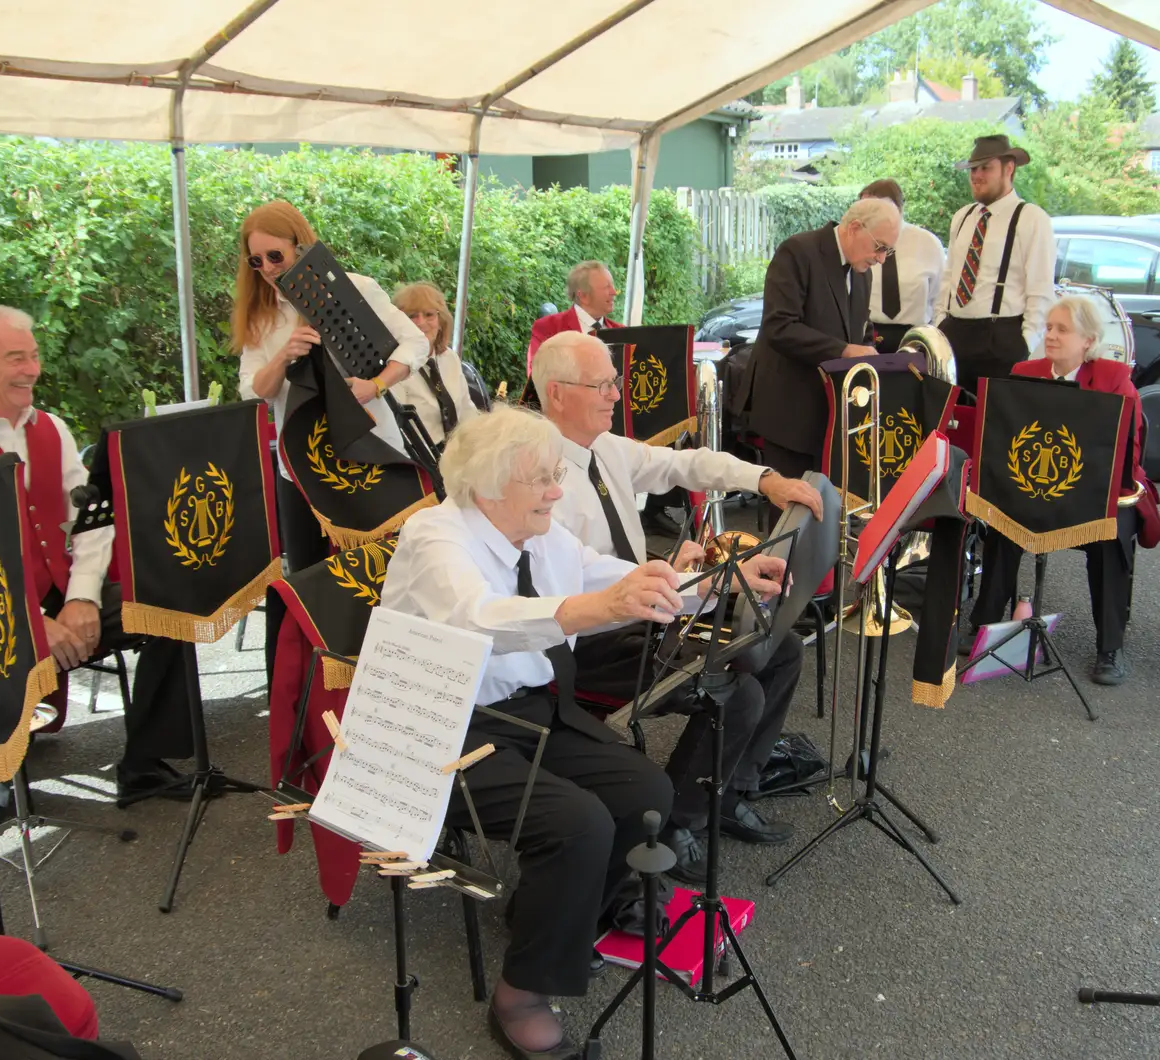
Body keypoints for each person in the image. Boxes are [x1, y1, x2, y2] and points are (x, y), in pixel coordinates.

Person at [381, 405, 783, 1059]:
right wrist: (594, 608)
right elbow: (478, 616)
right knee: (578, 824)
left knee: (645, 791)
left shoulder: (536, 532)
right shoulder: (436, 538)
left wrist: (720, 586)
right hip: (439, 729)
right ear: (487, 487)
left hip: (527, 711)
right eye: (541, 478)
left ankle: (555, 918)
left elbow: (613, 577)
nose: (557, 490)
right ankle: (521, 992)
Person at [530, 330, 822, 881]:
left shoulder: (604, 448)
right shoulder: (538, 474)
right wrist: (692, 579)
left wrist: (765, 480)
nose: (617, 395)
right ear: (557, 393)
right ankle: (674, 826)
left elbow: (687, 466)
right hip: (587, 638)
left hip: (649, 604)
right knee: (738, 692)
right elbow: (575, 590)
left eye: (615, 382)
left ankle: (730, 790)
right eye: (602, 385)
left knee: (781, 647)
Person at [0, 305, 192, 828]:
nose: (31, 370)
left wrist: (81, 597)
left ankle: (144, 761)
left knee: (172, 600)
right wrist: (37, 623)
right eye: (15, 358)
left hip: (60, 593)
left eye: (33, 357)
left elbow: (92, 523)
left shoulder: (51, 428)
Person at [233, 200, 429, 678]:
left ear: (301, 245)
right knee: (305, 577)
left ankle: (393, 671)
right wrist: (283, 356)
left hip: (370, 453)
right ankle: (306, 687)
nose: (267, 270)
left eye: (274, 256)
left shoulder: (356, 289)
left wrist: (374, 385)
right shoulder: (260, 315)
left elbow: (415, 344)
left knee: (385, 568)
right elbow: (251, 389)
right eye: (255, 261)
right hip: (301, 469)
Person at [963, 295, 1159, 685]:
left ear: (1088, 340)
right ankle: (982, 623)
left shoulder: (1113, 378)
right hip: (1033, 484)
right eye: (1049, 327)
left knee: (1113, 535)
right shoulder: (1024, 370)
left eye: (1061, 330)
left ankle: (1110, 647)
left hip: (1094, 491)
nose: (1050, 336)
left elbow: (1127, 449)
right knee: (1002, 518)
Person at [743, 197, 900, 479]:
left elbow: (859, 329)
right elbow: (779, 326)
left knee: (828, 511)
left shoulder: (862, 272)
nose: (881, 259)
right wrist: (842, 350)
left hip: (836, 413)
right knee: (792, 515)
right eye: (879, 247)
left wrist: (867, 350)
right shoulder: (798, 251)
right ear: (854, 227)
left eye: (888, 251)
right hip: (792, 409)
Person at [933, 135, 1056, 396]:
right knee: (952, 423)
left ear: (1008, 168)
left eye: (985, 168)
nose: (976, 176)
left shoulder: (1032, 219)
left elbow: (1041, 290)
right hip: (954, 334)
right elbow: (949, 278)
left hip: (1002, 338)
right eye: (973, 169)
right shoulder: (963, 216)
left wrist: (1025, 344)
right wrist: (940, 322)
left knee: (992, 429)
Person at [387, 282, 480, 447]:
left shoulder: (449, 358)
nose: (420, 323)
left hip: (456, 454)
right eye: (411, 316)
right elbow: (398, 431)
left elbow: (467, 411)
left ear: (441, 321)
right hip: (418, 461)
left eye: (429, 314)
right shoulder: (393, 367)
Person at [858, 178, 946, 351]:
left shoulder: (928, 243)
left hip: (916, 340)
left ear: (897, 208)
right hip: (868, 337)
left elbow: (940, 298)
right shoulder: (859, 244)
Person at [526, 261, 623, 371]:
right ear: (583, 296)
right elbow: (537, 377)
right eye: (606, 287)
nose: (614, 292)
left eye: (612, 286)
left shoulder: (623, 333)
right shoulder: (549, 329)